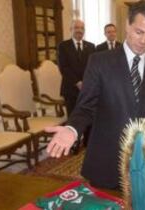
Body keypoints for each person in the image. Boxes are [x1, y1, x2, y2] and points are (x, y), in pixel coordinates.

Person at [45, 1, 145, 190]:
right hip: (105, 160)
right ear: (127, 25)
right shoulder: (99, 61)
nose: (143, 41)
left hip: (143, 161)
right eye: (139, 32)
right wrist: (72, 129)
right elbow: (85, 106)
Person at [57, 20, 95, 152]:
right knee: (73, 117)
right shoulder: (63, 46)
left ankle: (88, 142)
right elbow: (64, 68)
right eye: (76, 28)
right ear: (71, 29)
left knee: (89, 115)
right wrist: (78, 82)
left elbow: (93, 68)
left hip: (88, 88)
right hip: (70, 89)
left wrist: (87, 82)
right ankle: (74, 143)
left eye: (82, 28)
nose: (79, 30)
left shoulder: (91, 46)